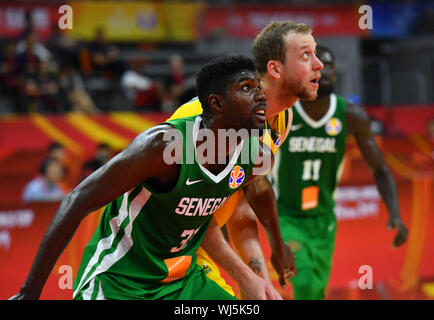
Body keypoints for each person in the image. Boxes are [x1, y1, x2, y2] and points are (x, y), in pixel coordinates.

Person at [10, 55, 284, 300]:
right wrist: (29, 292)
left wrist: (278, 246)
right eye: (247, 88)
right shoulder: (164, 146)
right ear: (217, 103)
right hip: (120, 279)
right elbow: (76, 201)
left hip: (181, 282)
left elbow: (259, 191)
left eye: (260, 88)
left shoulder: (256, 153)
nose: (261, 96)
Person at [167, 19, 323, 299]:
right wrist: (244, 276)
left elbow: (239, 210)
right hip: (158, 253)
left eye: (316, 53)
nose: (319, 64)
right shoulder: (220, 121)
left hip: (191, 248)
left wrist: (260, 281)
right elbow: (191, 210)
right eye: (305, 55)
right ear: (275, 69)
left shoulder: (280, 120)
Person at [268, 45, 409, 299]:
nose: (327, 70)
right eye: (318, 65)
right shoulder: (283, 112)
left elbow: (380, 170)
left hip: (324, 220)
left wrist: (396, 214)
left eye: (330, 65)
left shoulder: (351, 115)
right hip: (287, 216)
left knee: (317, 291)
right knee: (307, 282)